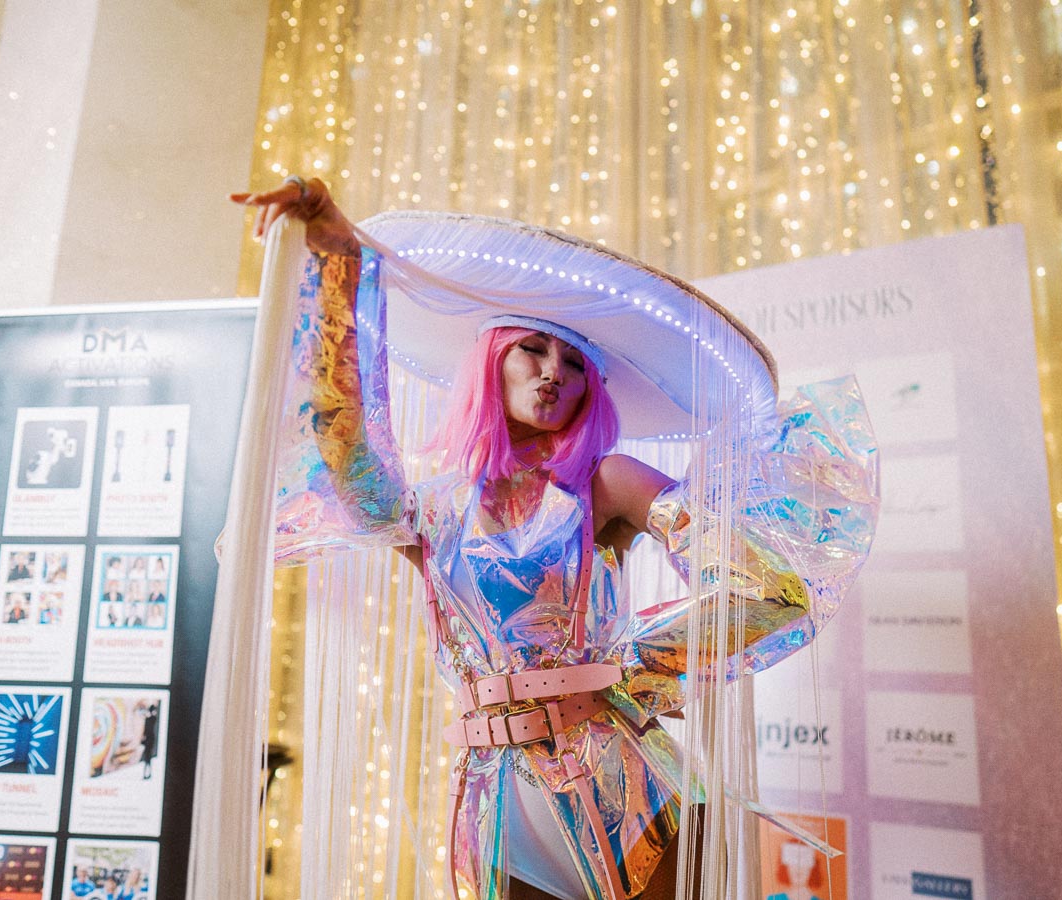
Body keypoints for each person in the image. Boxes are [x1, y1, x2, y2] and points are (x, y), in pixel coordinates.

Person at [215, 178, 877, 900]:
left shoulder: (610, 482)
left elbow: (768, 591)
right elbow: (343, 454)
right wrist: (336, 258)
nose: (553, 372)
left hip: (620, 787)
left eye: (573, 365)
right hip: (493, 798)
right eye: (532, 349)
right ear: (490, 360)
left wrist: (635, 671)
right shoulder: (432, 511)